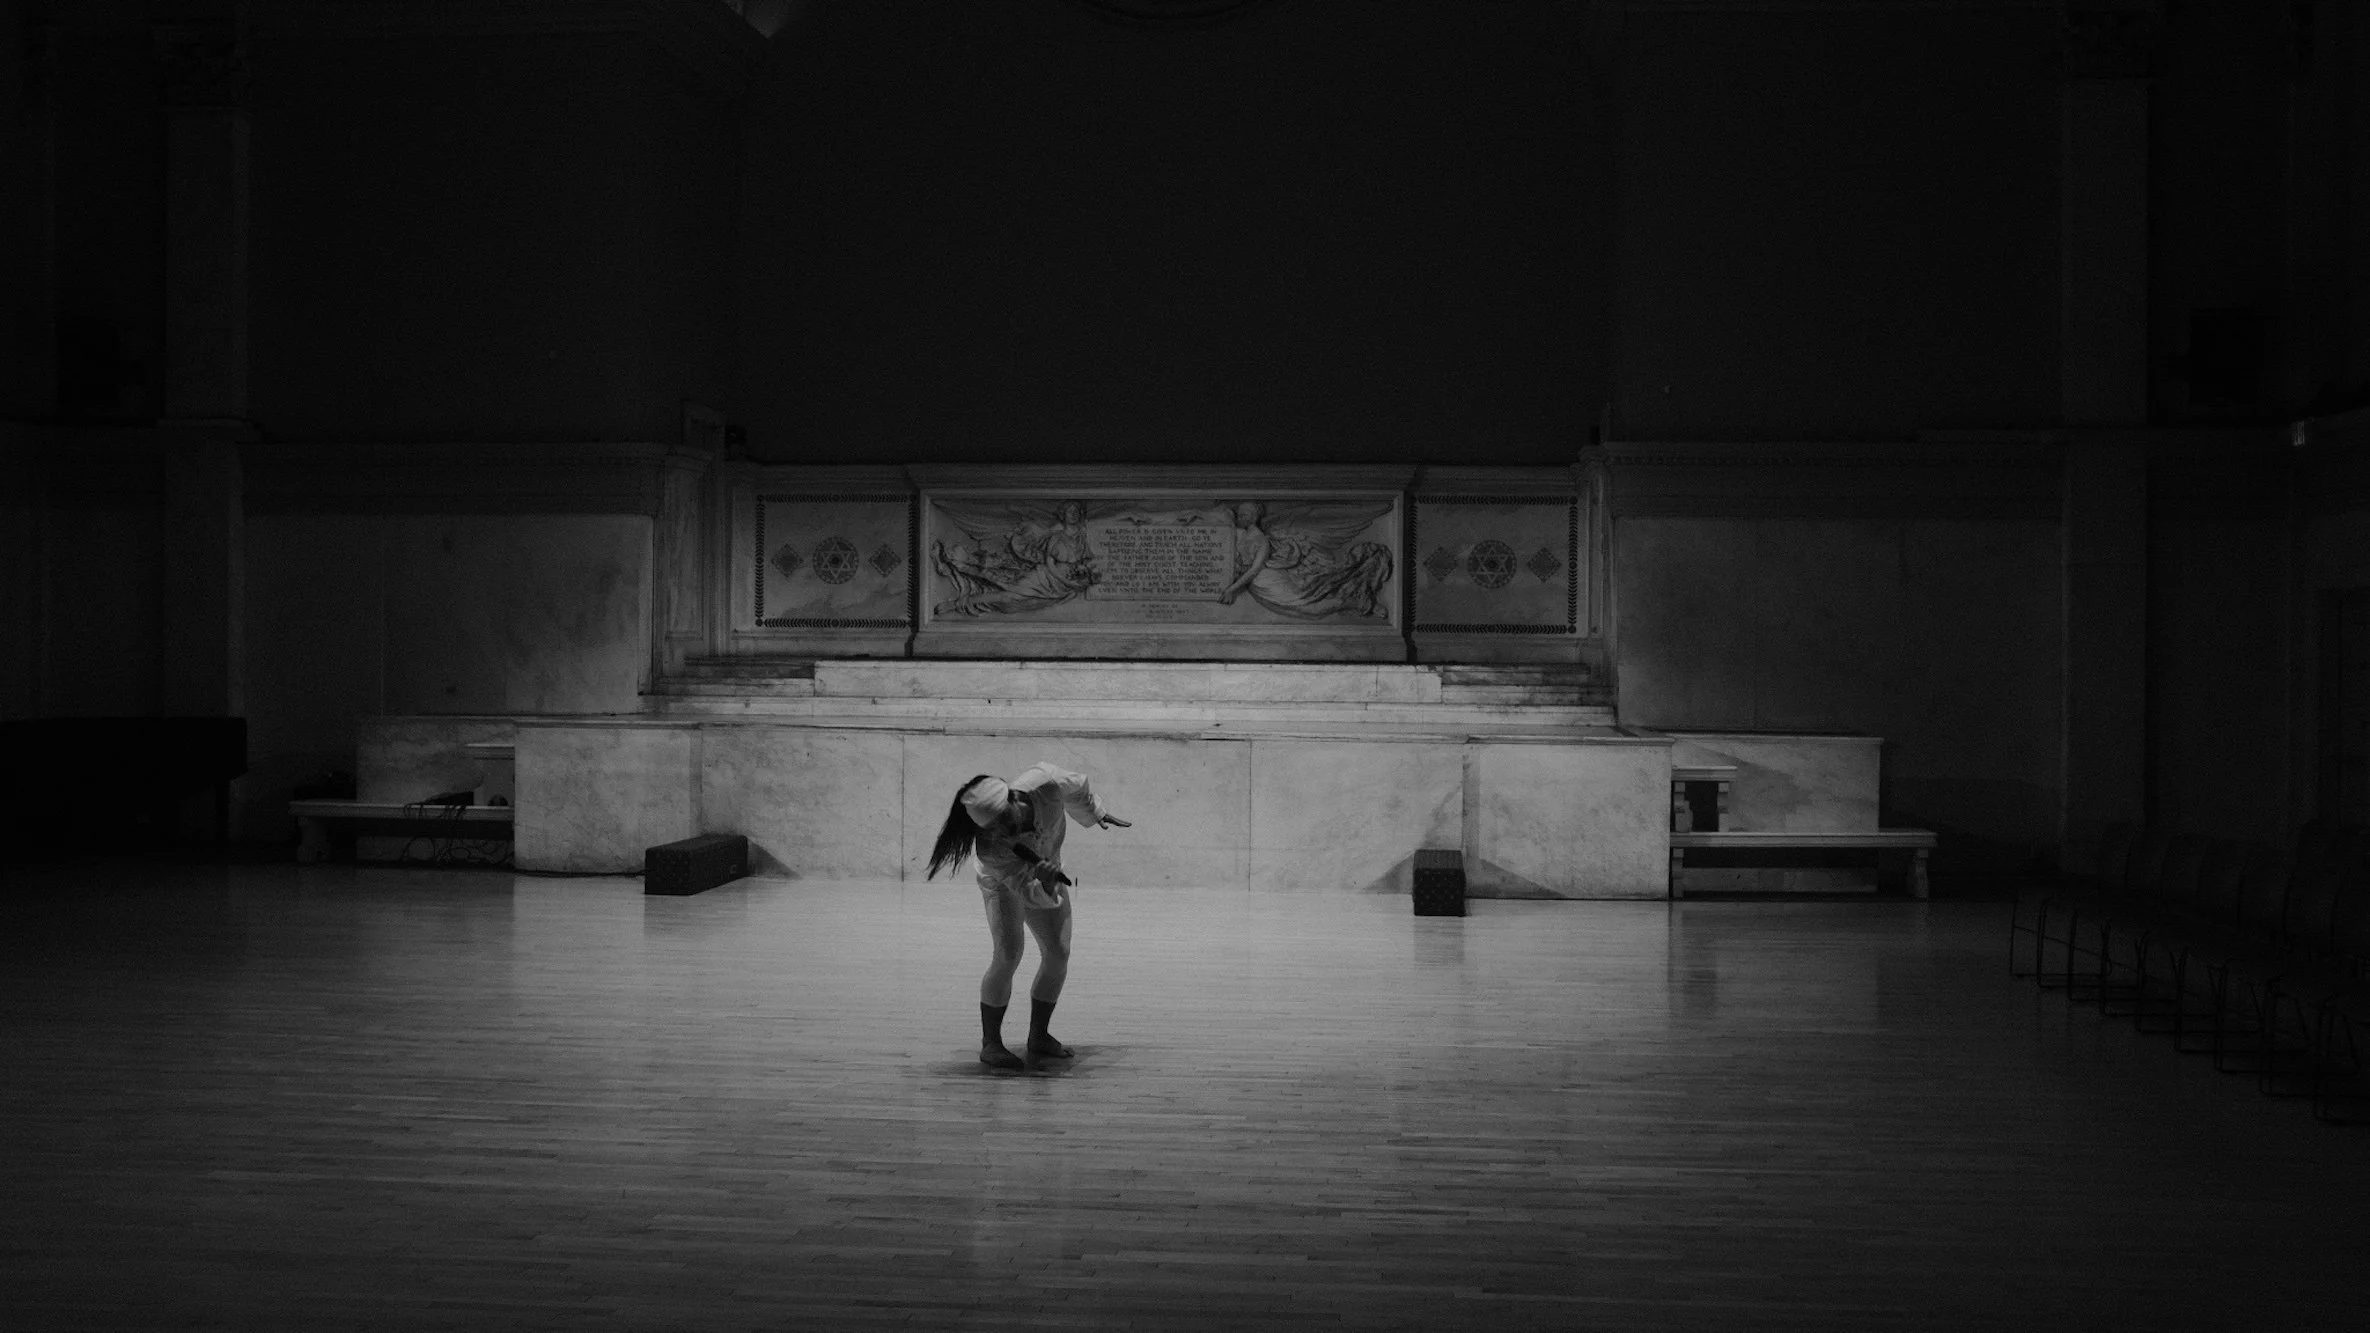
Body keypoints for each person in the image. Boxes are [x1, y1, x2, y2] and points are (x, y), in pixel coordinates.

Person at [925, 762, 1131, 1069]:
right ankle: (991, 1044)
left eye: (1001, 820)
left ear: (1013, 799)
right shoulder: (991, 849)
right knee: (1009, 953)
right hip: (1003, 883)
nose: (998, 831)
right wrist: (1044, 883)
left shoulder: (1044, 783)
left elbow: (1076, 786)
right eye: (989, 828)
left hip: (1047, 869)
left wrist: (1094, 813)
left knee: (1058, 952)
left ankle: (1039, 1036)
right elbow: (1023, 888)